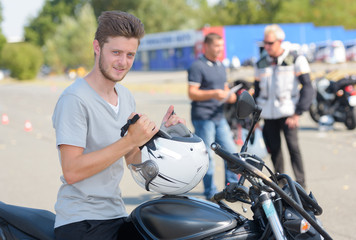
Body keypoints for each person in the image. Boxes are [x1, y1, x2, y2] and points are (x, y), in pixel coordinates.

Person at [52, 11, 185, 240]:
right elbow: (72, 171)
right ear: (97, 47)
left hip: (115, 213)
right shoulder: (74, 99)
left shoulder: (125, 96)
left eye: (130, 55)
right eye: (116, 52)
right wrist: (129, 140)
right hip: (81, 221)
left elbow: (133, 160)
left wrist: (162, 137)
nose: (123, 62)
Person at [253, 24, 314, 188]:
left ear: (280, 41)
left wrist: (297, 113)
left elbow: (308, 88)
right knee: (275, 151)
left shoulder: (295, 59)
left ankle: (301, 186)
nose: (266, 46)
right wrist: (254, 119)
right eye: (264, 43)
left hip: (288, 114)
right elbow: (257, 93)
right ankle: (280, 185)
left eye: (270, 43)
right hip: (268, 114)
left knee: (293, 149)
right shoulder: (260, 63)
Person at [187, 32, 239, 200]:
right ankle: (210, 193)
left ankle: (232, 190)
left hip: (219, 116)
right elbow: (192, 93)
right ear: (206, 46)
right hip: (203, 118)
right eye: (217, 46)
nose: (220, 50)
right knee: (208, 157)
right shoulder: (197, 66)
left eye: (221, 46)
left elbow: (224, 89)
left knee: (231, 154)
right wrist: (213, 94)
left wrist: (230, 96)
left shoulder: (221, 66)